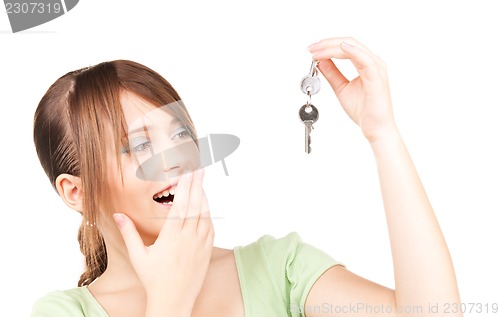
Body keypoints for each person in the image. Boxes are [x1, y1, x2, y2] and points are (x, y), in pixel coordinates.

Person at [31, 37, 462, 317]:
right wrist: (170, 301)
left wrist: (382, 133)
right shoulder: (62, 312)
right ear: (77, 192)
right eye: (139, 146)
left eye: (180, 133)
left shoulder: (277, 268)